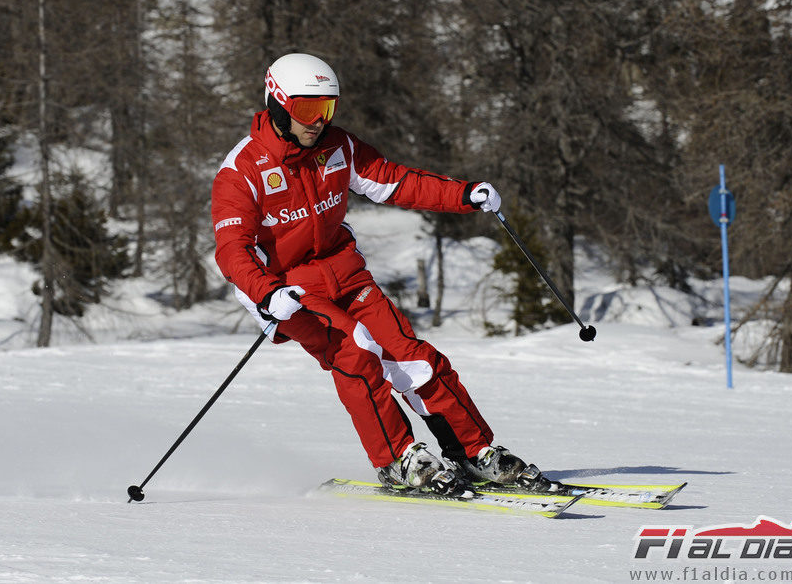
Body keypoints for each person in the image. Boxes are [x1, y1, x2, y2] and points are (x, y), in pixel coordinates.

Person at [211, 52, 545, 495]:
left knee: (414, 357)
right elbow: (233, 252)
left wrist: (463, 195)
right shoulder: (241, 172)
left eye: (327, 109)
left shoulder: (338, 147)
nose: (318, 121)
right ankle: (398, 460)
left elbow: (396, 181)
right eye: (308, 110)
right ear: (277, 102)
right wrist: (267, 294)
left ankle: (473, 451)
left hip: (346, 274)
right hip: (285, 290)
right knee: (355, 355)